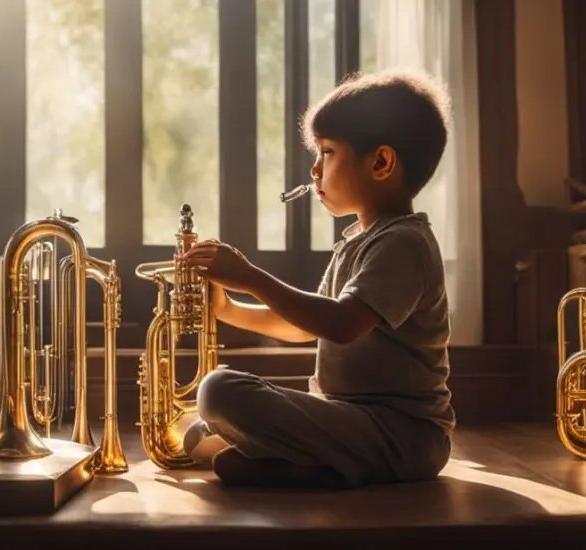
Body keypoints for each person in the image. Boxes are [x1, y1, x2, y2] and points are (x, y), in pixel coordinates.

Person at [180, 68, 456, 490]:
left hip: (405, 435)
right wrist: (228, 309)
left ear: (381, 162)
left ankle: (323, 460)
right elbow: (304, 325)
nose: (314, 169)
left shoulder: (406, 242)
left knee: (219, 392)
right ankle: (324, 464)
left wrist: (250, 276)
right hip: (352, 422)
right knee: (212, 448)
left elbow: (339, 324)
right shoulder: (357, 241)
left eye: (327, 152)